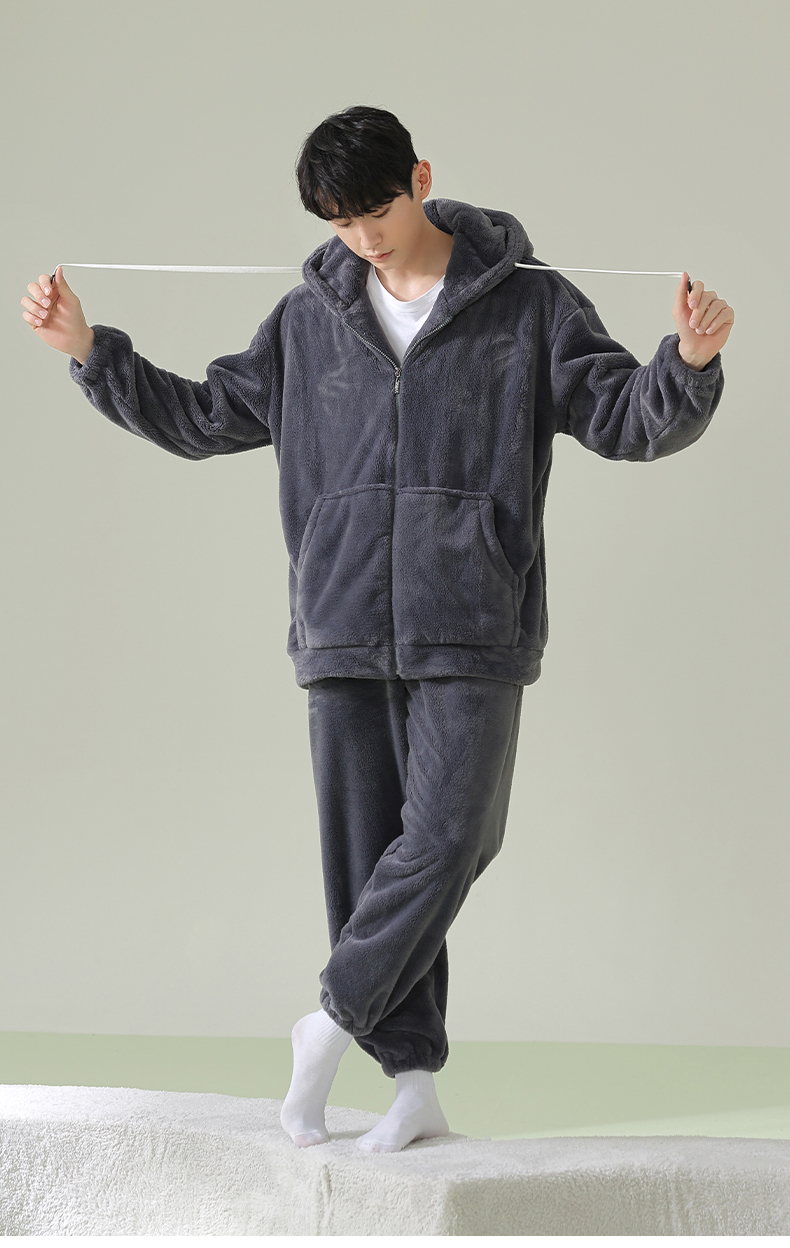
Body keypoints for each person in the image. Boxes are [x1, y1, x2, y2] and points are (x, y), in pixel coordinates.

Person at [21, 104, 734, 1155]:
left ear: (422, 178)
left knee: (453, 835)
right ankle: (411, 1082)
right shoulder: (306, 321)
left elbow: (624, 417)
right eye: (340, 221)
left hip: (473, 617)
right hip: (342, 617)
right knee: (366, 865)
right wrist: (88, 351)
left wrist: (689, 362)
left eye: (377, 211)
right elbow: (205, 417)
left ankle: (330, 1017)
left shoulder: (529, 305)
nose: (363, 237)